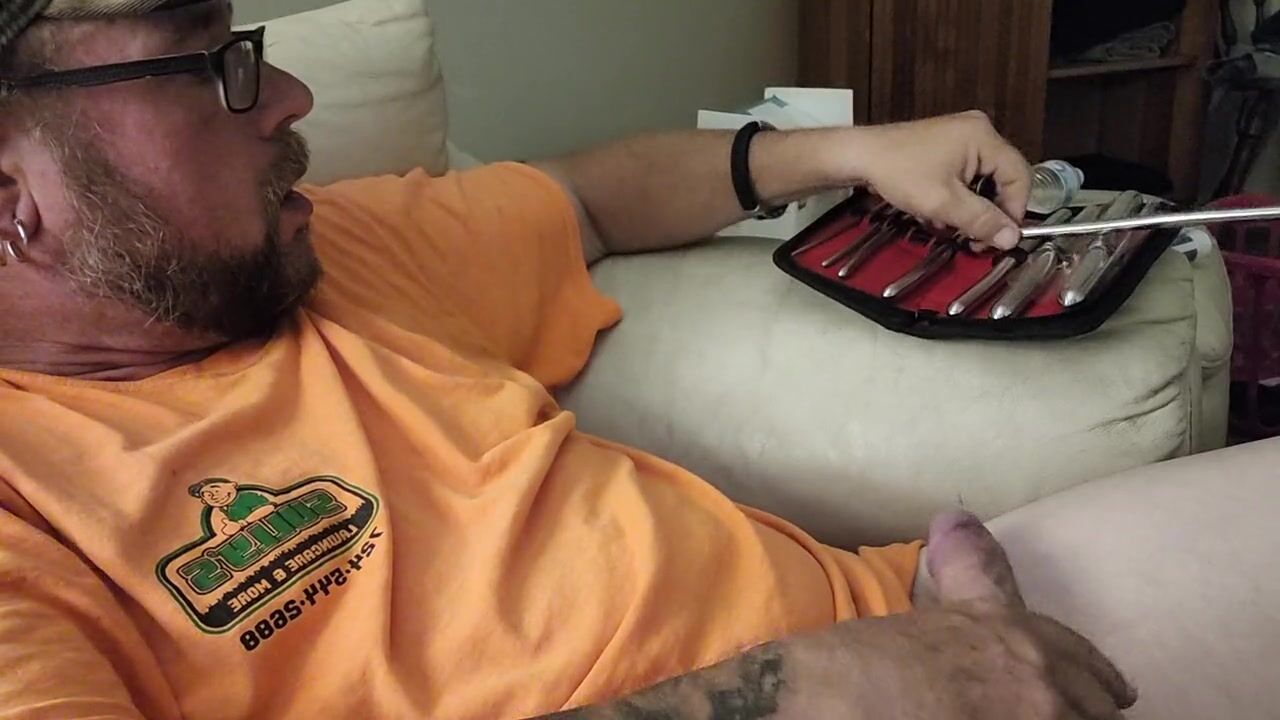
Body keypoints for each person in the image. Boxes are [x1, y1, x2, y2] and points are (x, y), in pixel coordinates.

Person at [0, 1, 1275, 719]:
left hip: (936, 629)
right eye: (217, 69)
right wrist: (807, 695)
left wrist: (853, 151)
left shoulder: (322, 252)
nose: (287, 99)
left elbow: (591, 197)